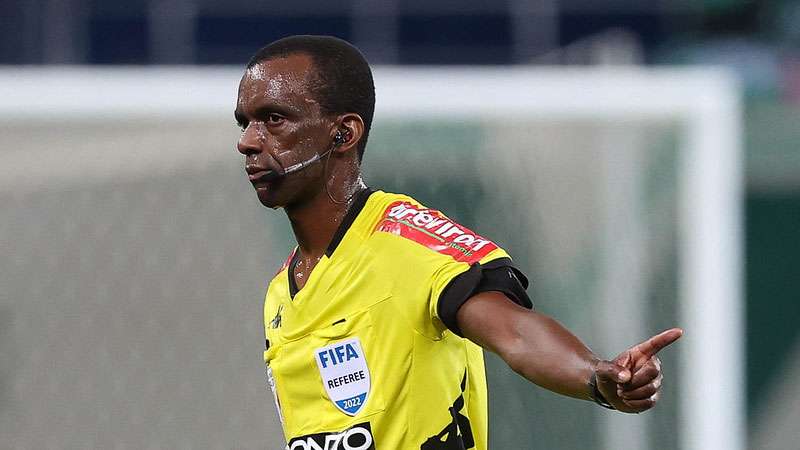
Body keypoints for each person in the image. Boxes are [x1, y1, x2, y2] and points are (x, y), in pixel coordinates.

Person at [235, 35, 683, 450]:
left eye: (274, 119)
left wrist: (593, 375)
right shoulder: (281, 293)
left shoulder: (408, 241)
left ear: (343, 133)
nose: (248, 142)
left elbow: (516, 332)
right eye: (245, 123)